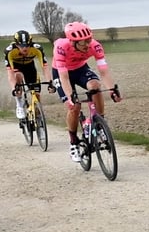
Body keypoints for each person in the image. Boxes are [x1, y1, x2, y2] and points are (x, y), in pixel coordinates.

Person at [52, 22, 122, 162]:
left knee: (95, 85)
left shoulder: (95, 46)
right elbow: (64, 77)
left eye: (89, 40)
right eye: (83, 43)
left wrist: (112, 90)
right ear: (73, 42)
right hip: (61, 72)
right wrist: (70, 96)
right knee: (74, 106)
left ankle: (100, 123)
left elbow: (103, 70)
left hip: (80, 69)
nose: (87, 45)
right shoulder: (61, 47)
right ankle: (73, 141)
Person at [5, 30, 55, 124]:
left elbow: (44, 67)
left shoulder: (37, 48)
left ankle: (38, 116)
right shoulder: (10, 51)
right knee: (18, 76)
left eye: (27, 45)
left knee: (37, 94)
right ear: (16, 44)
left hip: (30, 68)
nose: (25, 48)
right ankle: (19, 103)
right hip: (16, 67)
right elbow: (10, 72)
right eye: (21, 46)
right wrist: (13, 88)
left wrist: (50, 82)